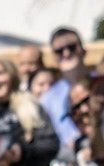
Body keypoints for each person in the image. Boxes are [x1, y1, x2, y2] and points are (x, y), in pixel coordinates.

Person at [39, 27, 92, 155]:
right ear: (54, 59)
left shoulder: (101, 83)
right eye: (59, 51)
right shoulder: (47, 99)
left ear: (83, 50)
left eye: (72, 47)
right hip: (68, 163)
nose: (66, 53)